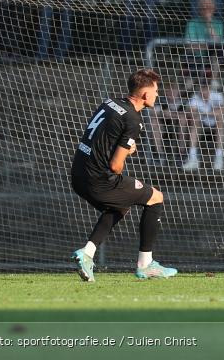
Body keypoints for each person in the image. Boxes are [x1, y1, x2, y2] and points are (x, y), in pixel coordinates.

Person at [70, 69, 177, 281]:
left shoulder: (110, 103)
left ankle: (87, 254)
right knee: (156, 198)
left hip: (78, 174)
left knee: (121, 205)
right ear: (145, 94)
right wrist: (127, 149)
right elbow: (116, 166)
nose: (157, 95)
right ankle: (146, 265)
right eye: (156, 91)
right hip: (99, 180)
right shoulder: (133, 120)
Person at [185, 80, 224, 171]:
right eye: (201, 88)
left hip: (215, 123)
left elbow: (223, 110)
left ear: (209, 88)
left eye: (205, 88)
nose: (203, 91)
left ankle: (219, 158)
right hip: (202, 123)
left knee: (221, 120)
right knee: (194, 122)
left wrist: (205, 113)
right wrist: (211, 113)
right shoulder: (195, 97)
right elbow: (191, 112)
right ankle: (193, 158)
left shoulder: (217, 96)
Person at [147, 81, 190, 166]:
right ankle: (159, 154)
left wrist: (171, 114)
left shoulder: (184, 101)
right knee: (154, 121)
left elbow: (187, 114)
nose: (171, 92)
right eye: (169, 90)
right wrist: (163, 113)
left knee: (183, 119)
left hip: (179, 127)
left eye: (174, 90)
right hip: (164, 125)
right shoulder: (161, 100)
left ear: (179, 91)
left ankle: (181, 154)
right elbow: (154, 112)